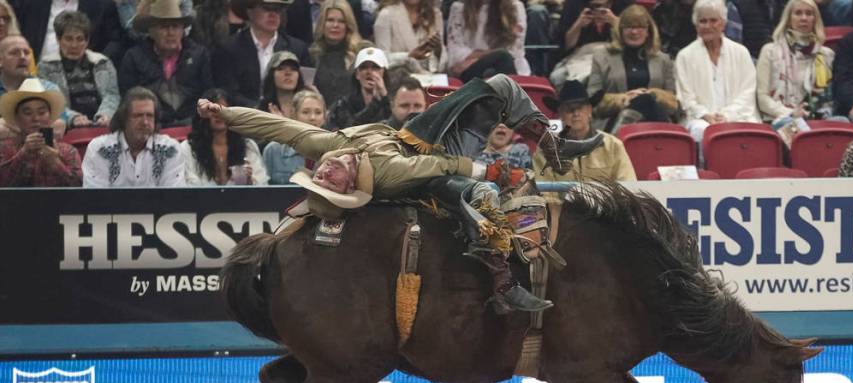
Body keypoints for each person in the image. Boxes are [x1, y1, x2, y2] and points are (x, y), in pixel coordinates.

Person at [198, 74, 603, 312]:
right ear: (347, 190)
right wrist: (483, 169)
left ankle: (551, 143)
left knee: (498, 83)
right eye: (329, 181)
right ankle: (500, 280)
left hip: (419, 138)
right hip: (436, 170)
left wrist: (226, 115)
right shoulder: (386, 174)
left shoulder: (330, 146)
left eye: (319, 174)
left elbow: (278, 128)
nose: (325, 171)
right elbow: (435, 167)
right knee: (479, 193)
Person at [118, 1, 214, 127]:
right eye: (164, 27)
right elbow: (128, 100)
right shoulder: (133, 58)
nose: (170, 32)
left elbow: (209, 95)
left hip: (194, 127)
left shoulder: (200, 55)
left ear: (182, 30)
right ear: (151, 31)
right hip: (151, 128)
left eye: (175, 26)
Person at [675, 0, 759, 143]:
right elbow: (686, 98)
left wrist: (727, 115)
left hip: (738, 115)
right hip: (700, 119)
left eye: (713, 20)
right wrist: (705, 115)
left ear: (723, 23)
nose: (708, 26)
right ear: (696, 25)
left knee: (754, 131)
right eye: (702, 21)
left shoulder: (741, 52)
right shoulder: (685, 56)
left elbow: (747, 92)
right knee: (701, 130)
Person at [586, 4, 679, 133]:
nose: (634, 32)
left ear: (648, 31)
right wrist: (624, 99)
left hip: (653, 120)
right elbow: (592, 100)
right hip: (611, 120)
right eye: (629, 27)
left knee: (646, 100)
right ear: (620, 30)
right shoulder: (602, 57)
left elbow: (673, 104)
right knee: (642, 101)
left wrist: (653, 94)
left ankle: (620, 136)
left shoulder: (663, 59)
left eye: (640, 27)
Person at [215, 0, 313, 109]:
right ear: (249, 12)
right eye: (266, 8)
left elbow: (305, 89)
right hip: (244, 117)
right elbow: (228, 91)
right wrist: (259, 110)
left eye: (278, 9)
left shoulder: (298, 48)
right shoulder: (229, 48)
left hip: (288, 117)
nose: (273, 14)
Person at [534, 79, 636, 181]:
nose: (576, 113)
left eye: (580, 108)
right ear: (560, 114)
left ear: (589, 110)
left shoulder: (613, 145)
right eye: (569, 109)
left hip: (608, 197)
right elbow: (545, 192)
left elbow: (628, 185)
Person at [82, 86, 185, 186]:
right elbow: (95, 200)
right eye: (138, 116)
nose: (145, 122)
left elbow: (174, 199)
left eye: (149, 116)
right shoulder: (99, 149)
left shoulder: (170, 149)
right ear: (123, 118)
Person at [37, 11, 120, 128]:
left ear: (87, 41)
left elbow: (112, 95)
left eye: (80, 39)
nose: (74, 45)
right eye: (69, 39)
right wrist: (72, 117)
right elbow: (50, 102)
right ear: (58, 39)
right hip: (65, 128)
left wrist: (105, 114)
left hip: (102, 126)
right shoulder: (46, 67)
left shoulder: (103, 63)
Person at [756, 0, 835, 122]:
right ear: (788, 19)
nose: (804, 18)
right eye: (798, 13)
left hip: (818, 118)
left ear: (815, 19)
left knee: (841, 122)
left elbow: (832, 99)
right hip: (781, 118)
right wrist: (790, 113)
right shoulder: (770, 51)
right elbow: (762, 98)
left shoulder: (826, 55)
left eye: (809, 13)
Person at [0, 77, 81, 186]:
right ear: (17, 119)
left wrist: (55, 163)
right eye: (28, 113)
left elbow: (78, 190)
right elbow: (3, 187)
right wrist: (24, 154)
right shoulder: (4, 149)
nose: (36, 118)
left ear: (50, 117)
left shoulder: (68, 151)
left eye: (42, 112)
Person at [182, 87, 268, 185]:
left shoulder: (248, 146)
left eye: (224, 109)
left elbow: (262, 185)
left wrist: (249, 181)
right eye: (212, 110)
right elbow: (187, 187)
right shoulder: (188, 148)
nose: (218, 114)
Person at [10, 0, 124, 63]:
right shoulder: (29, 3)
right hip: (34, 71)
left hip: (84, 75)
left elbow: (115, 41)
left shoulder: (102, 5)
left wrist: (96, 63)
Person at [446, 0, 530, 80]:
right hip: (473, 72)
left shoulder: (515, 7)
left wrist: (482, 56)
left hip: (509, 71)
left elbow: (513, 53)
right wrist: (489, 58)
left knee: (502, 58)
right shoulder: (459, 8)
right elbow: (455, 55)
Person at [0, 35, 70, 130]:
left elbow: (58, 126)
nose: (22, 57)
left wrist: (8, 125)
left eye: (27, 52)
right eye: (14, 53)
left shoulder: (48, 89)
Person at [263, 88, 324, 182]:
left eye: (318, 112)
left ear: (324, 118)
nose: (313, 118)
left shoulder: (334, 152)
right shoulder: (274, 150)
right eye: (305, 112)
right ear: (294, 114)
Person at [326, 46, 391, 129]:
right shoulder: (344, 104)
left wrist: (385, 98)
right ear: (357, 74)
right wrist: (375, 103)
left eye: (375, 67)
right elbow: (350, 131)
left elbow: (396, 125)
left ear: (383, 72)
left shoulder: (395, 100)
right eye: (364, 67)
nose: (369, 72)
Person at [374, 0, 445, 73]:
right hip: (398, 79)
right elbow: (381, 59)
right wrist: (409, 56)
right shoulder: (386, 15)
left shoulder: (435, 14)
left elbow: (441, 60)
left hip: (431, 78)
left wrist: (438, 50)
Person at [259, 50, 305, 117]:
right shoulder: (261, 110)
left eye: (294, 69)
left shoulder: (308, 105)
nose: (288, 73)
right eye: (281, 69)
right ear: (271, 75)